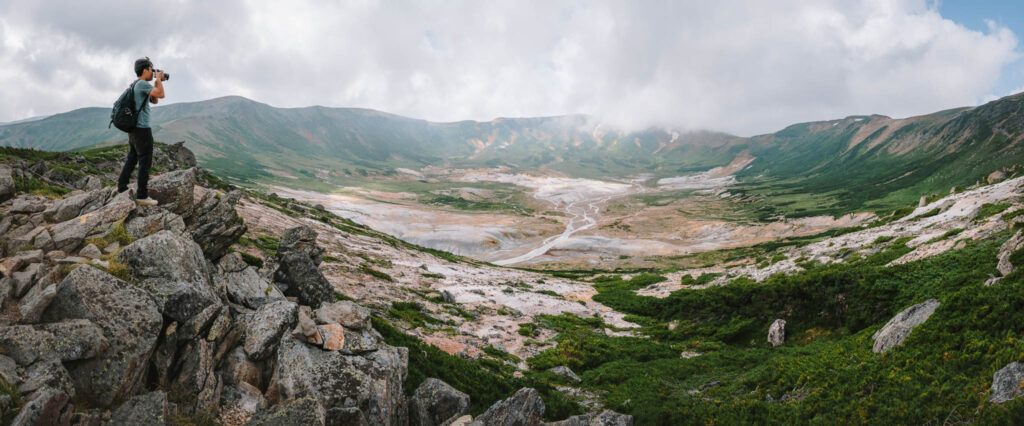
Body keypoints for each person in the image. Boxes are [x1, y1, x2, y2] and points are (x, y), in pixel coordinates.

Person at [117, 56, 166, 206]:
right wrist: (158, 80)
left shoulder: (137, 85)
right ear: (145, 70)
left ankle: (122, 187)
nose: (153, 72)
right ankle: (142, 196)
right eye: (151, 69)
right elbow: (161, 95)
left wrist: (157, 82)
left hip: (134, 130)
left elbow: (155, 100)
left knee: (132, 159)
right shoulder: (142, 84)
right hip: (142, 130)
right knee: (145, 162)